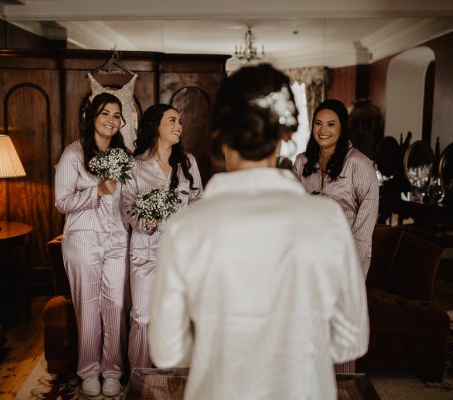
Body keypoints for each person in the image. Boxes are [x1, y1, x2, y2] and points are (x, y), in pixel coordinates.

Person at [148, 64, 369, 400]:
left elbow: (166, 350)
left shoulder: (186, 227)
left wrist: (221, 351)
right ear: (287, 133)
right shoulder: (327, 220)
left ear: (218, 133)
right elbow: (351, 339)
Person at [54, 92, 129, 398]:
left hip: (116, 238)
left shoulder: (123, 155)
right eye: (105, 114)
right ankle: (88, 371)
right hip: (82, 239)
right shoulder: (73, 154)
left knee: (116, 305)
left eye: (116, 115)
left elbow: (126, 199)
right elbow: (61, 202)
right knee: (88, 307)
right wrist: (96, 190)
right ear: (91, 117)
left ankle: (113, 370)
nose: (111, 121)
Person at [122, 103, 203, 369]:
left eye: (180, 121)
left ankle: (172, 378)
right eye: (172, 121)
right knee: (143, 317)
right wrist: (144, 221)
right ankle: (141, 380)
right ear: (155, 125)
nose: (179, 126)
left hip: (178, 255)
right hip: (145, 252)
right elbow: (126, 206)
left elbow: (198, 202)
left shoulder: (188, 163)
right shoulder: (135, 165)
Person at [291, 99, 379, 277]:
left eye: (331, 124)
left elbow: (367, 218)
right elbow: (293, 206)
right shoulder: (302, 161)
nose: (323, 130)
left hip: (347, 252)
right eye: (318, 124)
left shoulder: (359, 164)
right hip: (309, 250)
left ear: (343, 128)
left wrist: (350, 264)